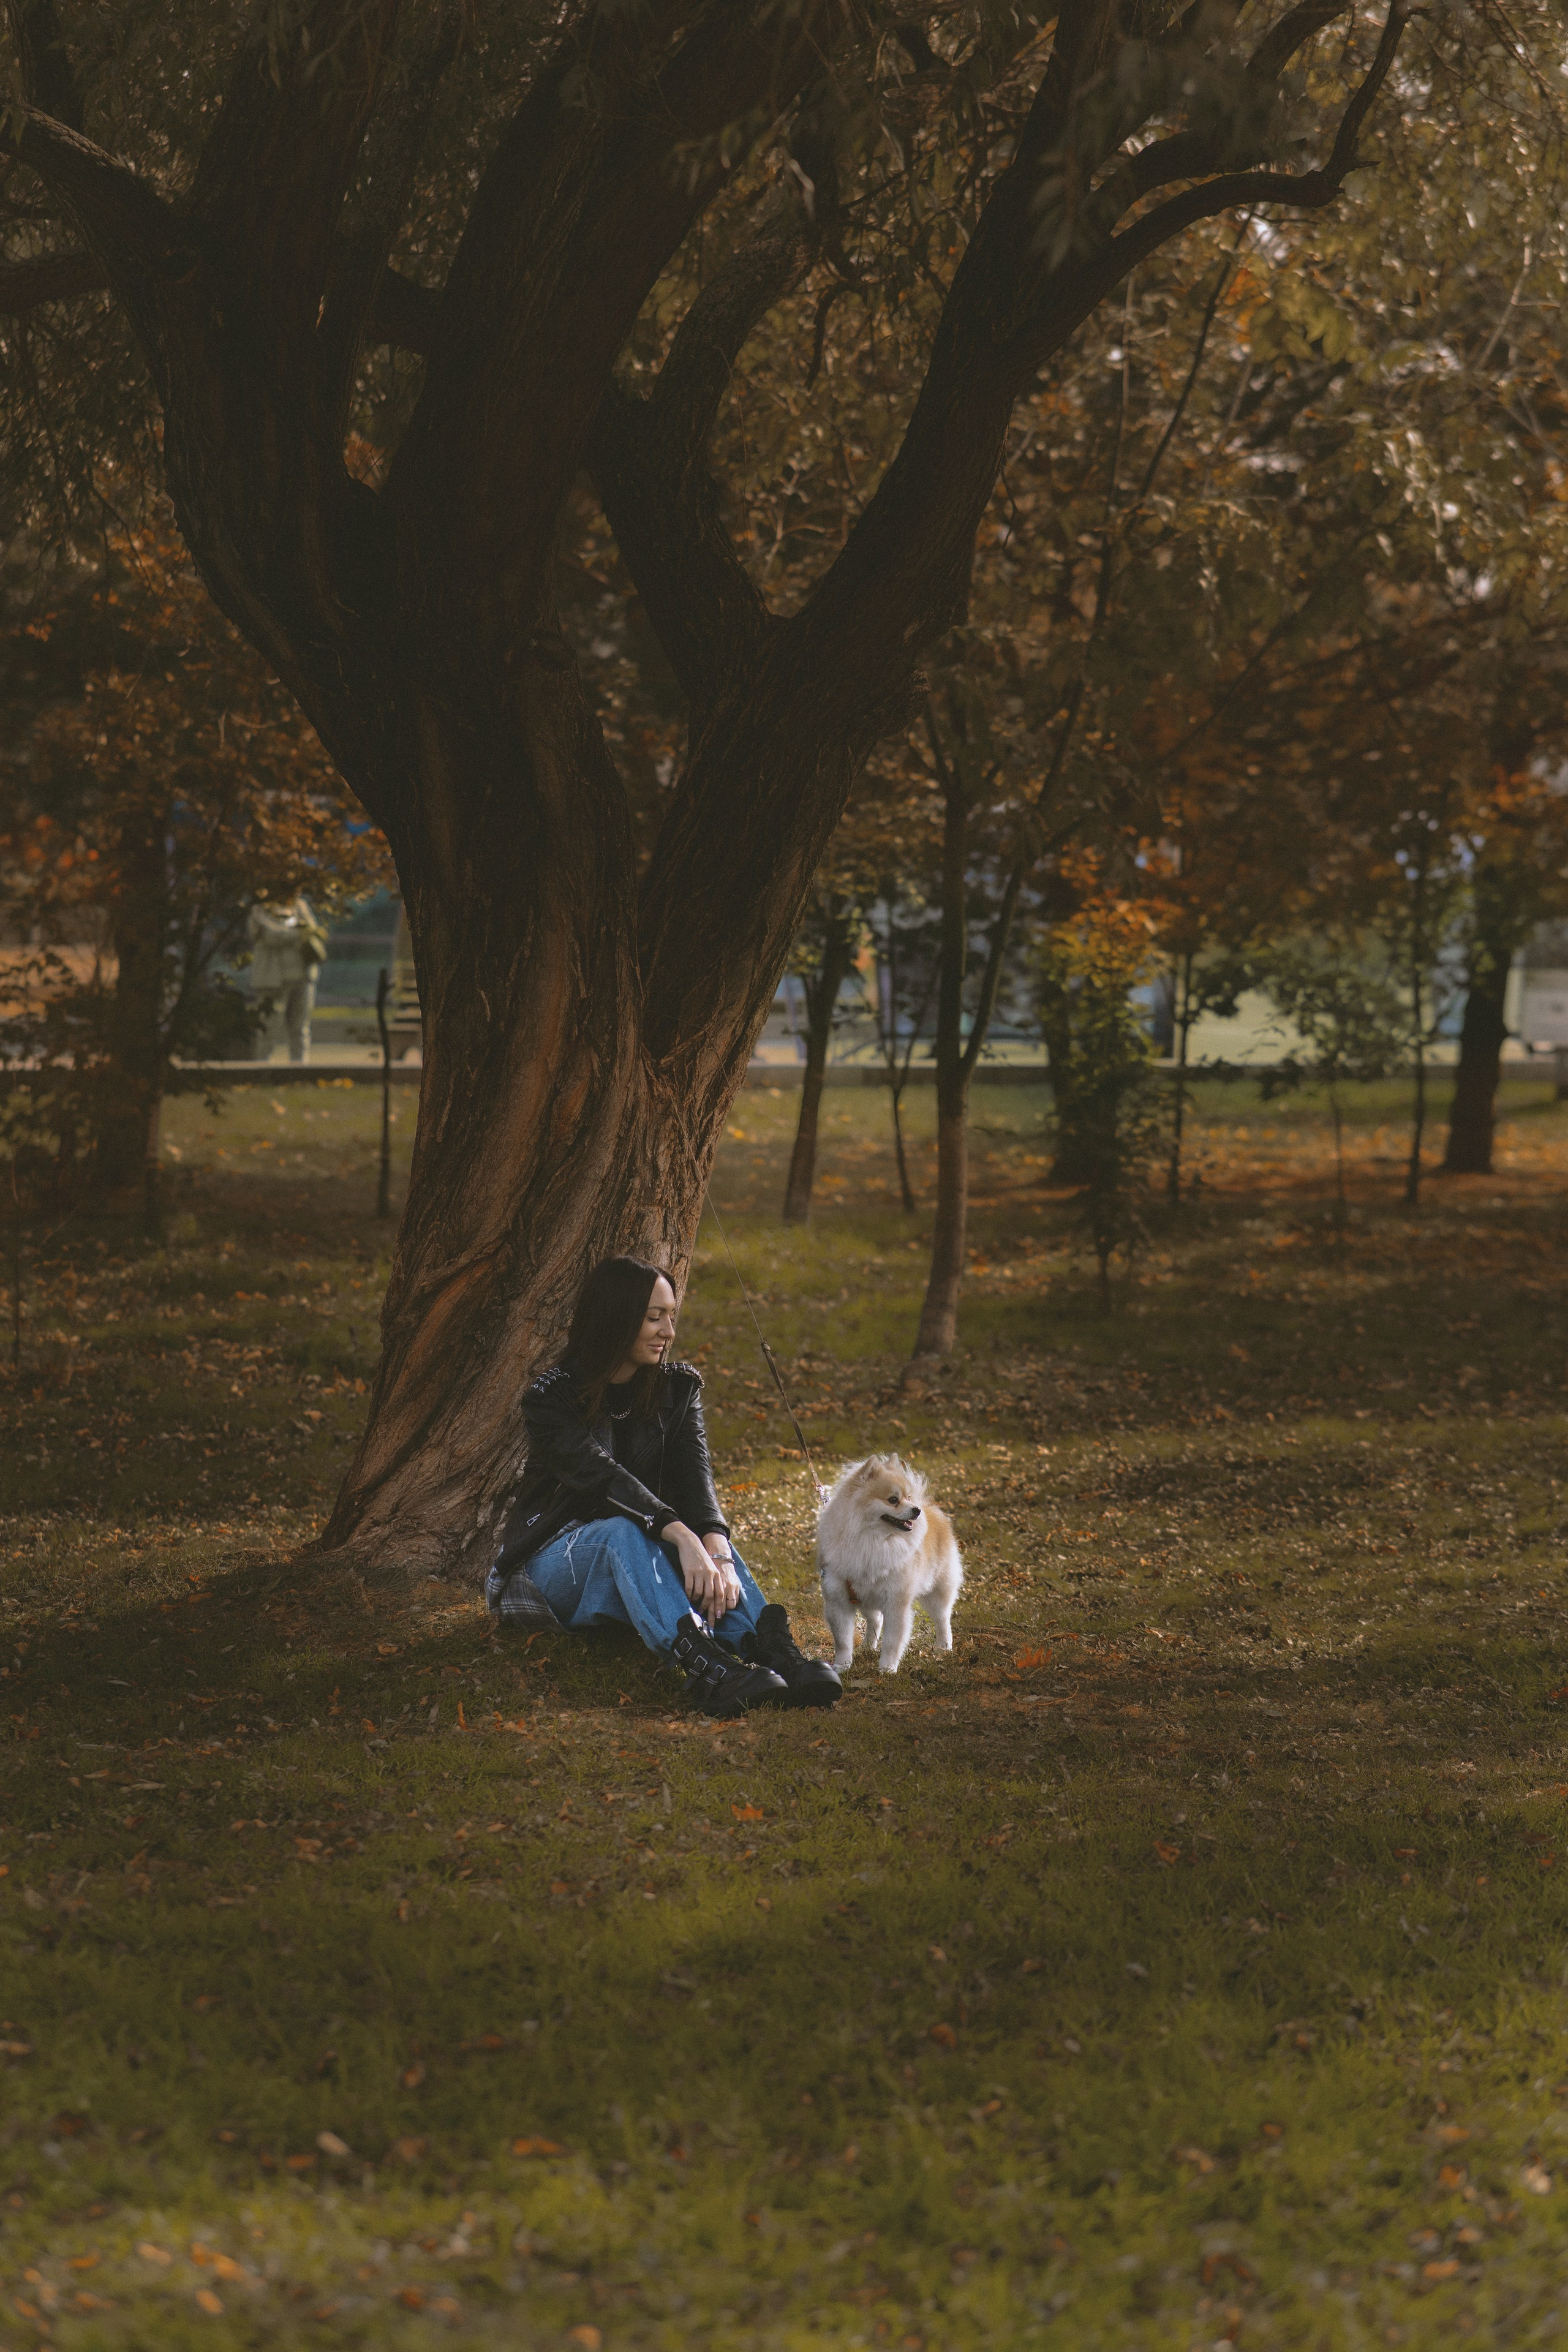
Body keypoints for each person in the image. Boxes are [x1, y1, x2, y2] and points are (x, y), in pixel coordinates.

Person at [486, 1256, 842, 1720]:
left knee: (688, 1546)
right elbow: (600, 1478)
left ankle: (771, 1653)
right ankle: (708, 1671)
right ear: (615, 1319)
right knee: (624, 1531)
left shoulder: (676, 1389)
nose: (668, 1331)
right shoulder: (551, 1397)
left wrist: (716, 1550)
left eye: (671, 1316)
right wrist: (680, 1534)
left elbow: (696, 1481)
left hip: (638, 1563)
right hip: (544, 1569)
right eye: (653, 1318)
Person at [246, 895, 327, 1063]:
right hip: (273, 979)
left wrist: (299, 932)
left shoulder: (299, 905)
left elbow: (312, 930)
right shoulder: (260, 909)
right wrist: (299, 933)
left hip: (302, 977)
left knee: (301, 1028)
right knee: (268, 1027)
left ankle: (300, 1068)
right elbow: (272, 936)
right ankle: (261, 1068)